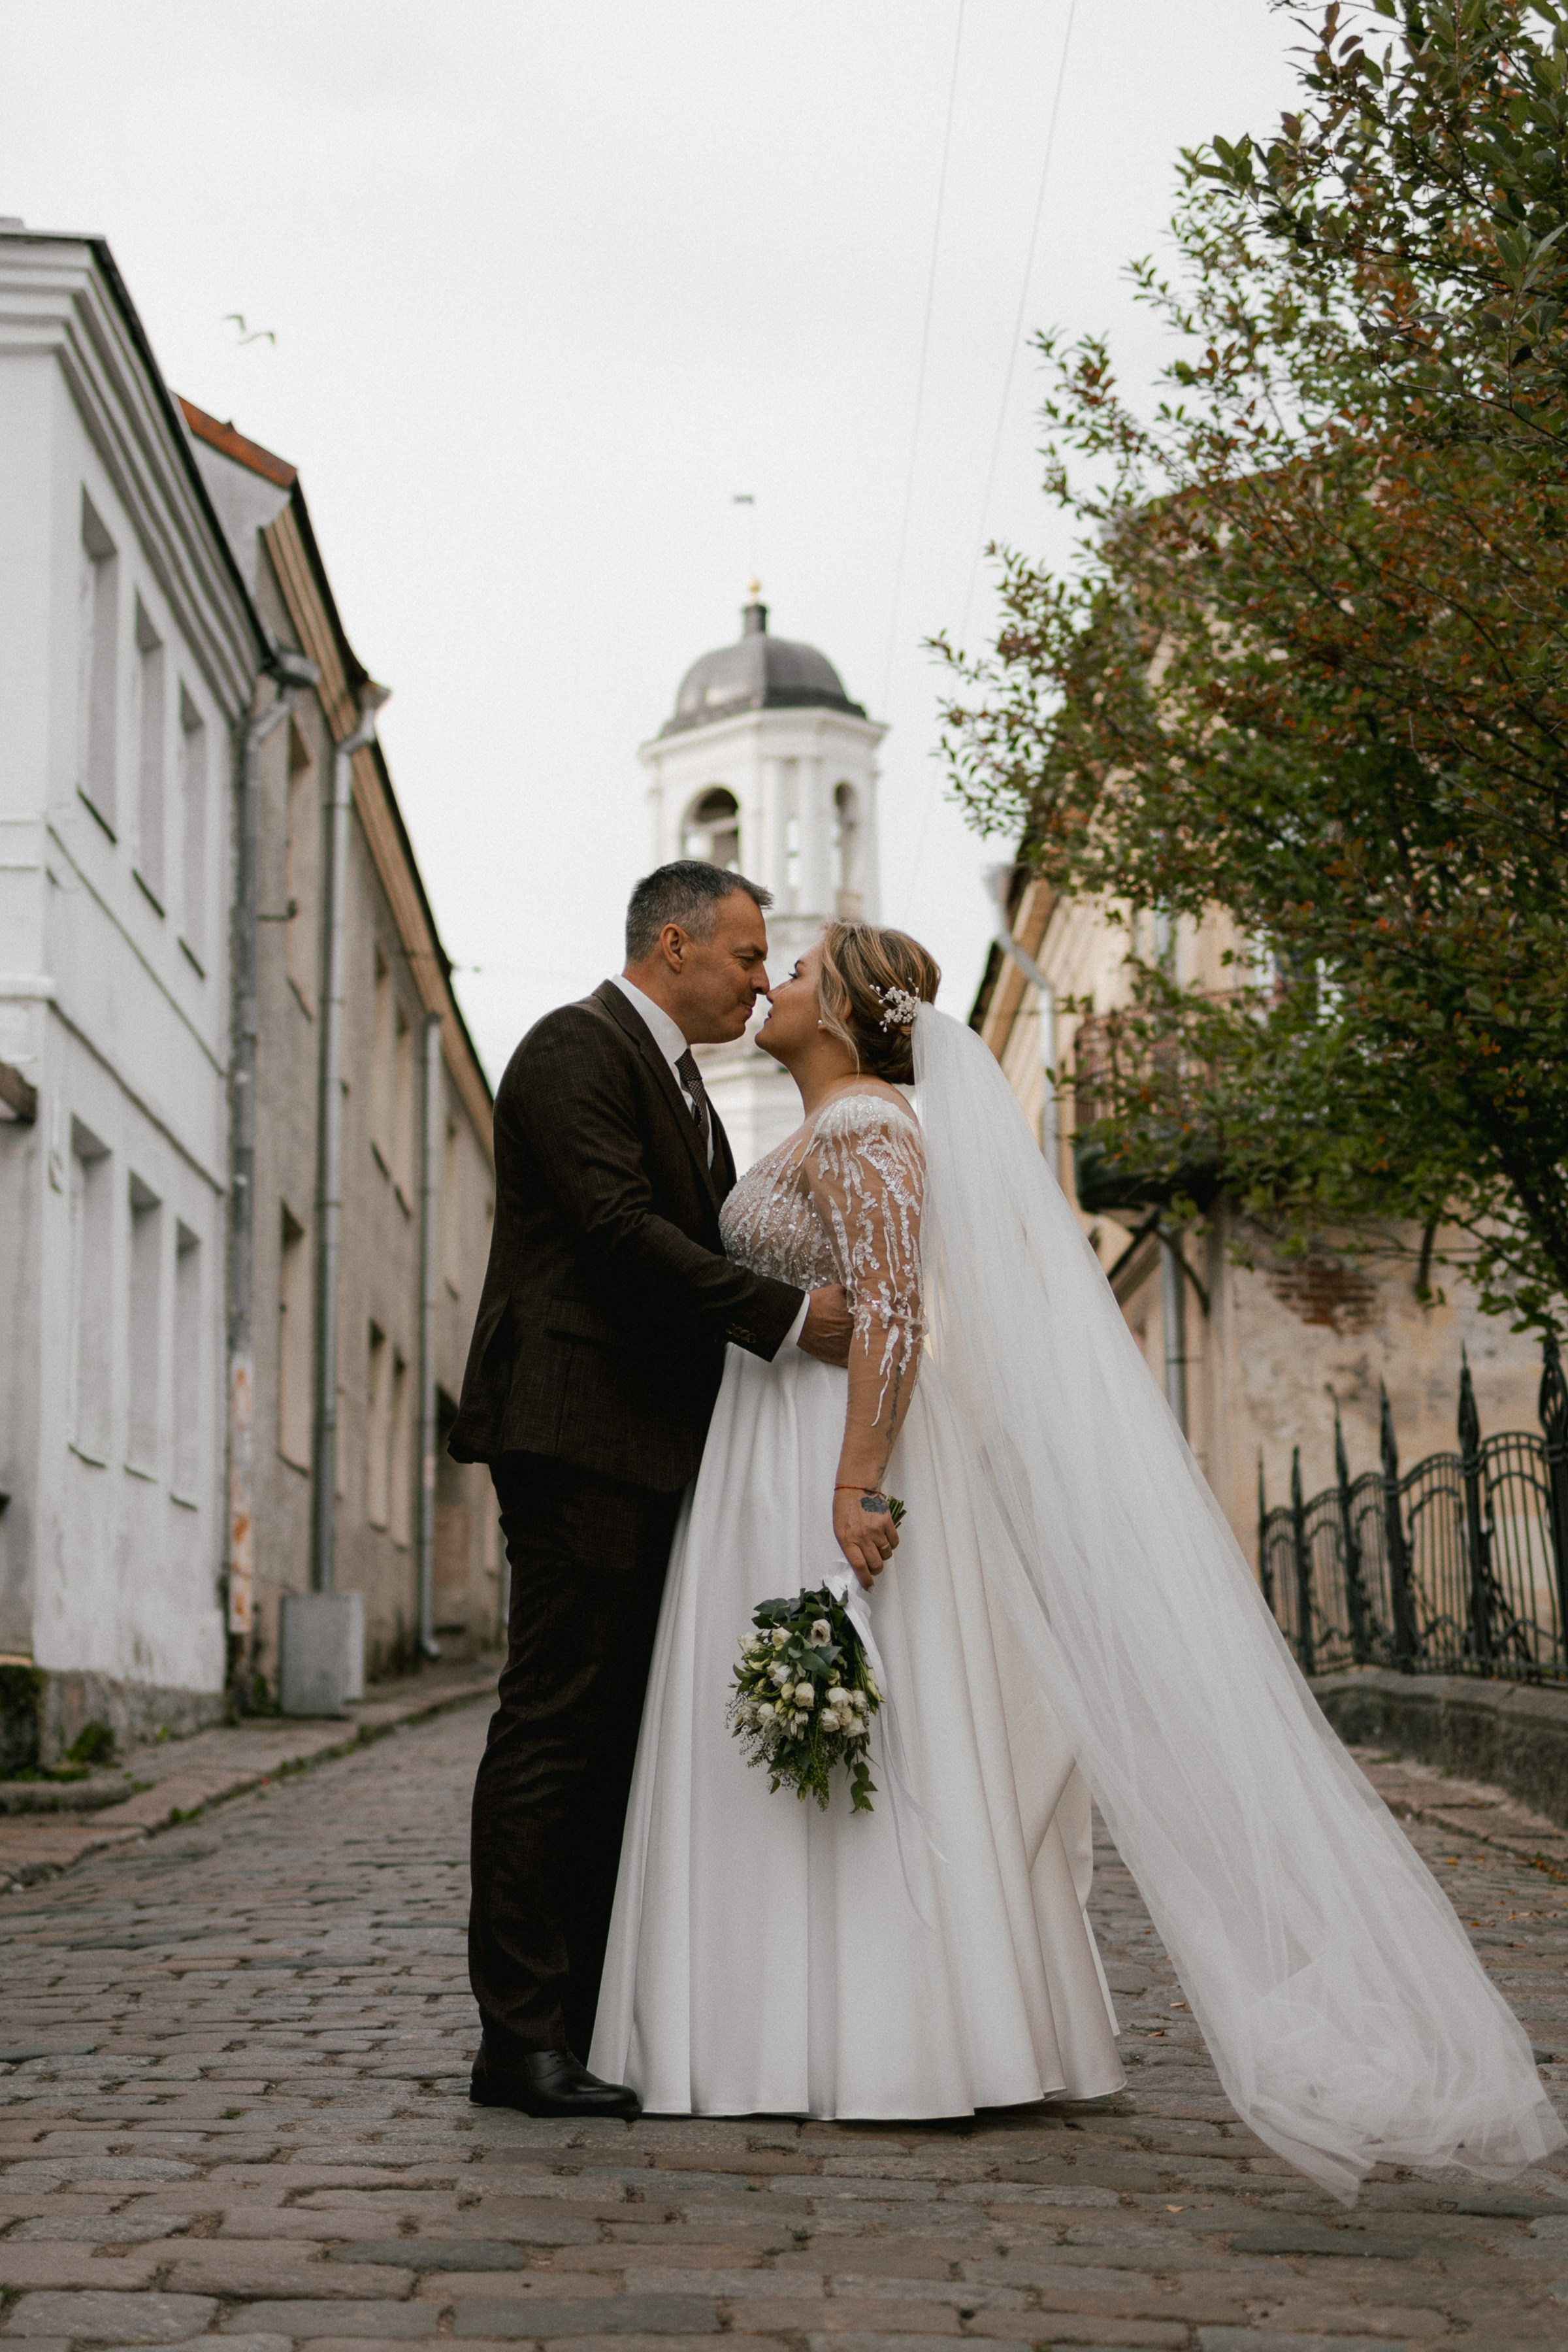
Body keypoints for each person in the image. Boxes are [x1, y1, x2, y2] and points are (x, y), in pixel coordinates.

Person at [593, 920, 1563, 2197]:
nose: (773, 982)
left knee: (881, 1739)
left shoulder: (871, 1128)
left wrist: (855, 1482)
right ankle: (775, 2027)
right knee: (812, 1740)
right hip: (764, 1451)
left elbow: (894, 1312)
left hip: (832, 1454)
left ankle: (898, 2038)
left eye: (800, 969)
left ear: (842, 1010)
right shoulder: (821, 1127)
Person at [448, 862, 852, 2119]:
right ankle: (520, 2039)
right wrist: (789, 1317)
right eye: (747, 955)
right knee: (556, 1722)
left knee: (615, 1730)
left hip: (650, 1442)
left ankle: (578, 2018)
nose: (760, 982)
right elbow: (622, 1234)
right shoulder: (573, 1048)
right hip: (576, 1430)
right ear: (674, 945)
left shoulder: (688, 1088)